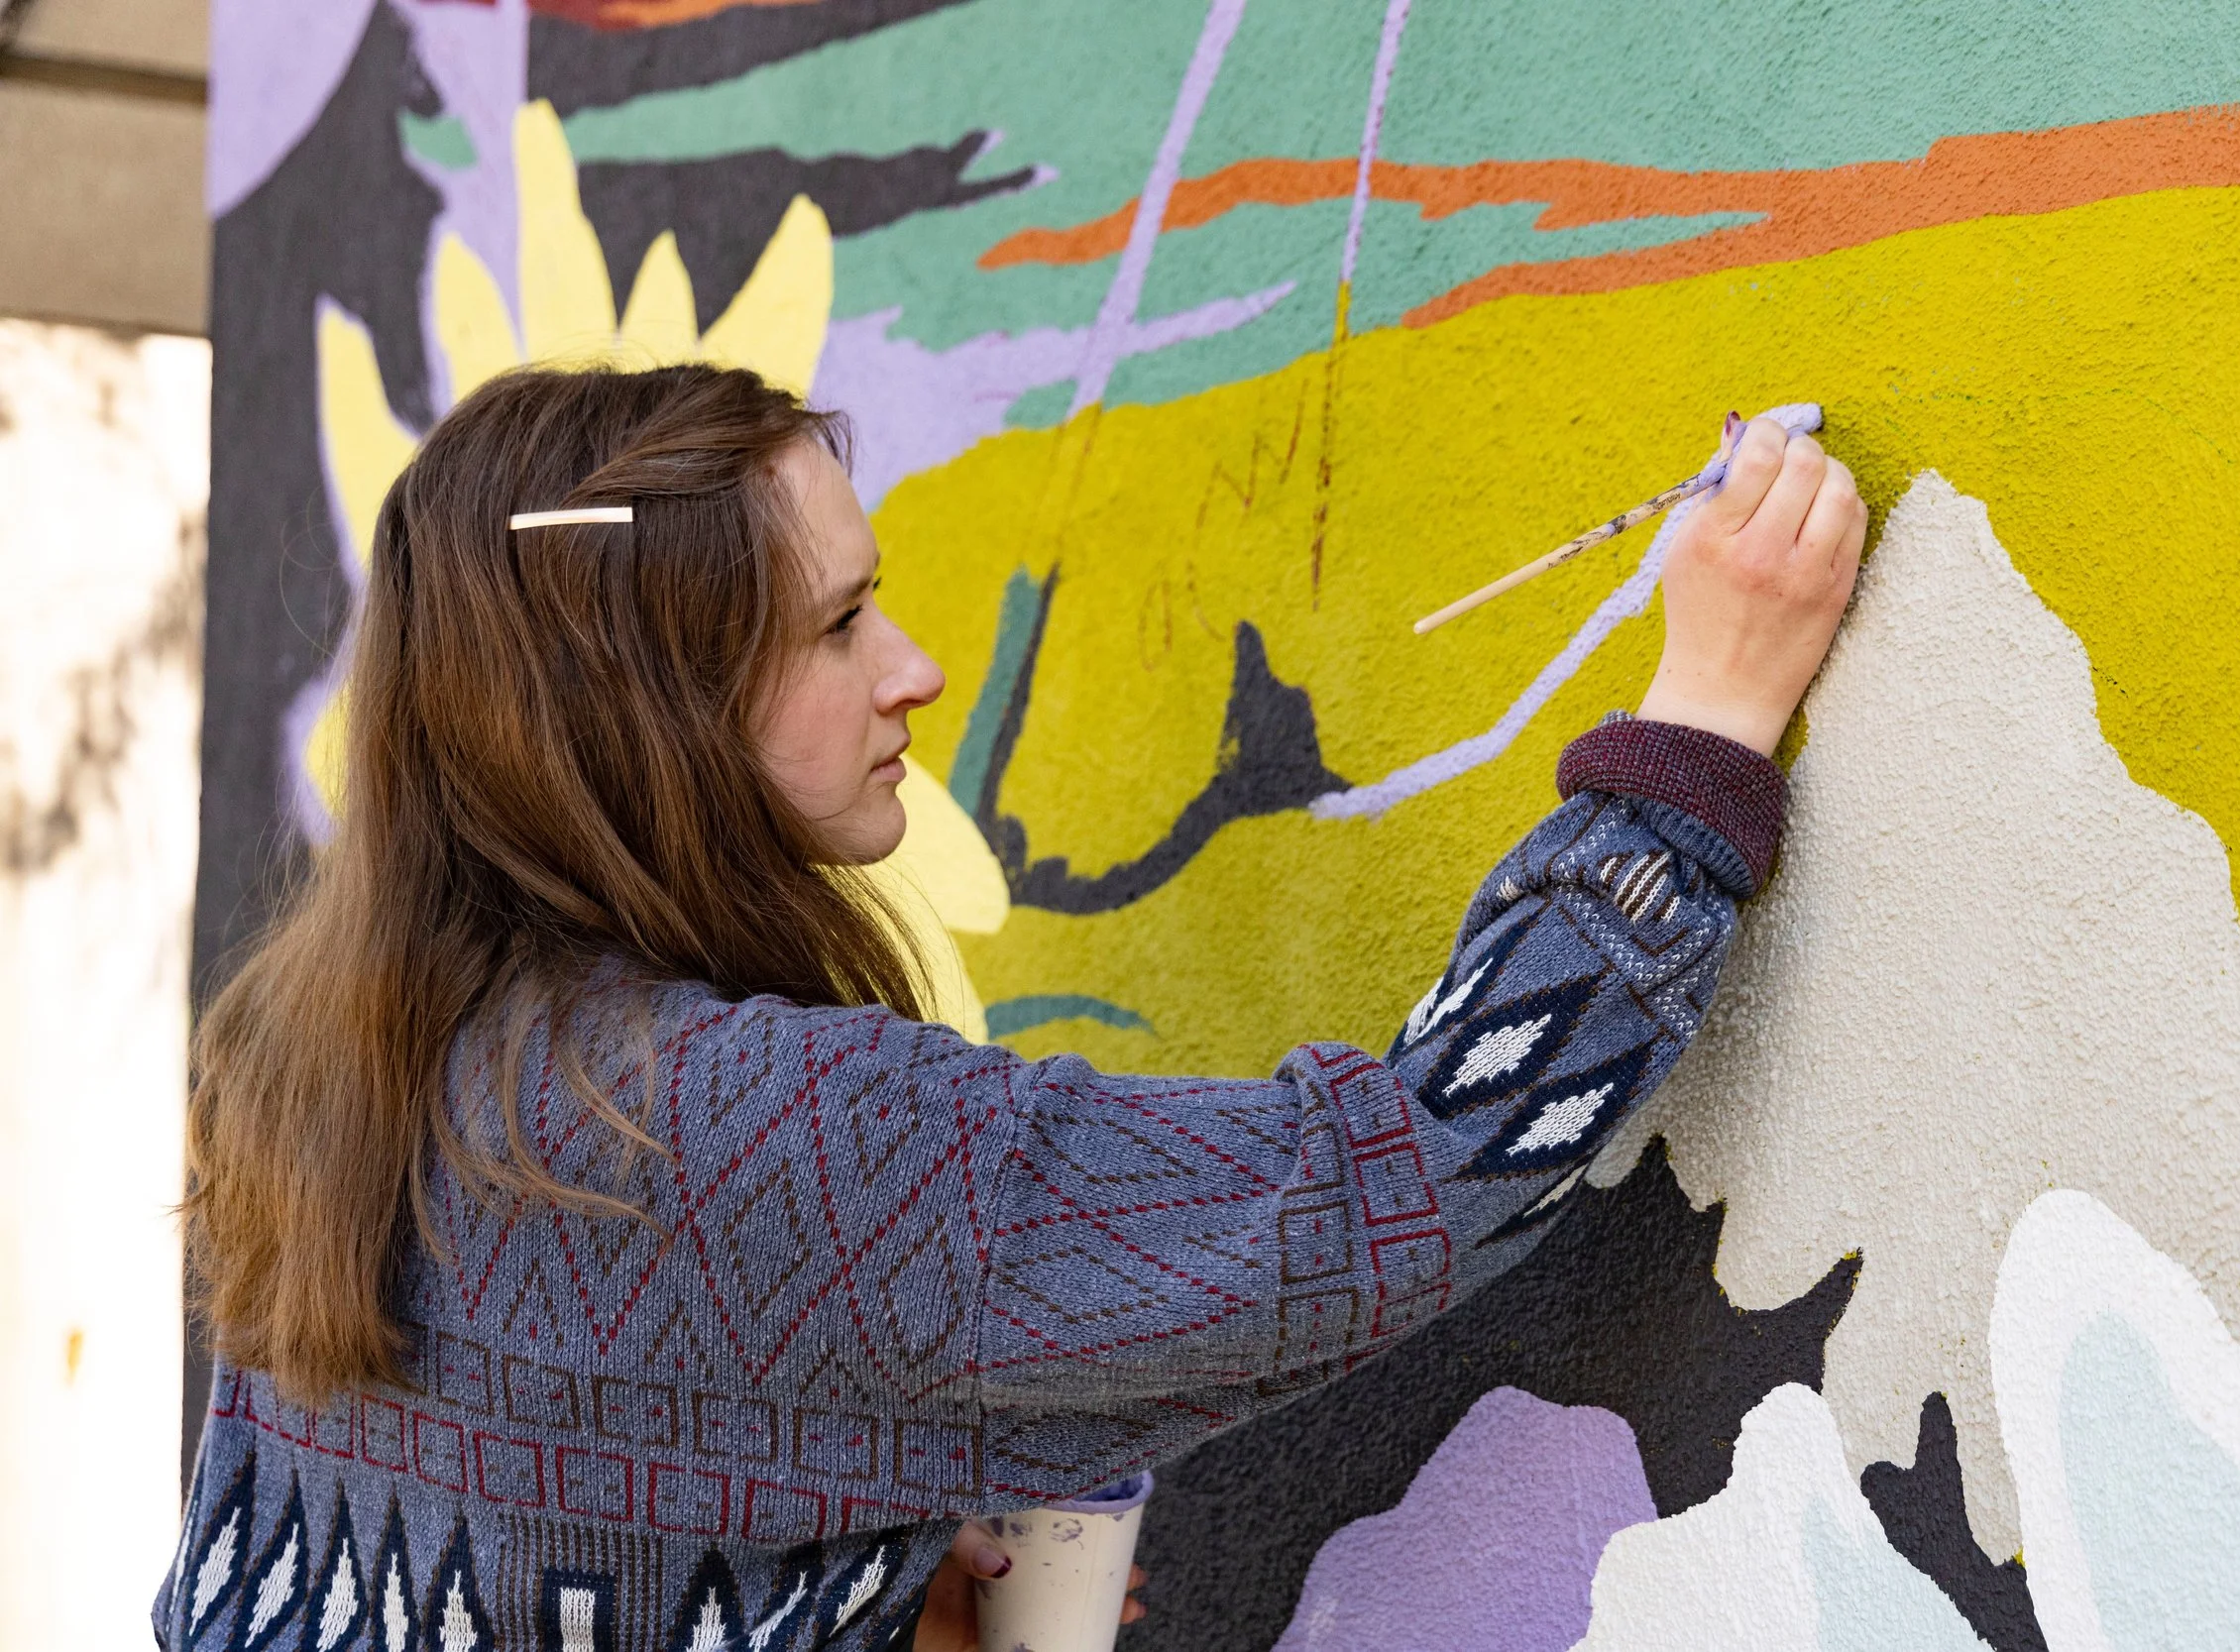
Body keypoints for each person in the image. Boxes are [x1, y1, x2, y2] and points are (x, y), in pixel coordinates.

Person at [166, 364, 1862, 1651]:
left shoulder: (300, 1066)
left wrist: (836, 1565)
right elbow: (1389, 1188)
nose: (911, 668)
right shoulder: (762, 1129)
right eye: (839, 626)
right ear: (647, 714)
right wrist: (1700, 730)